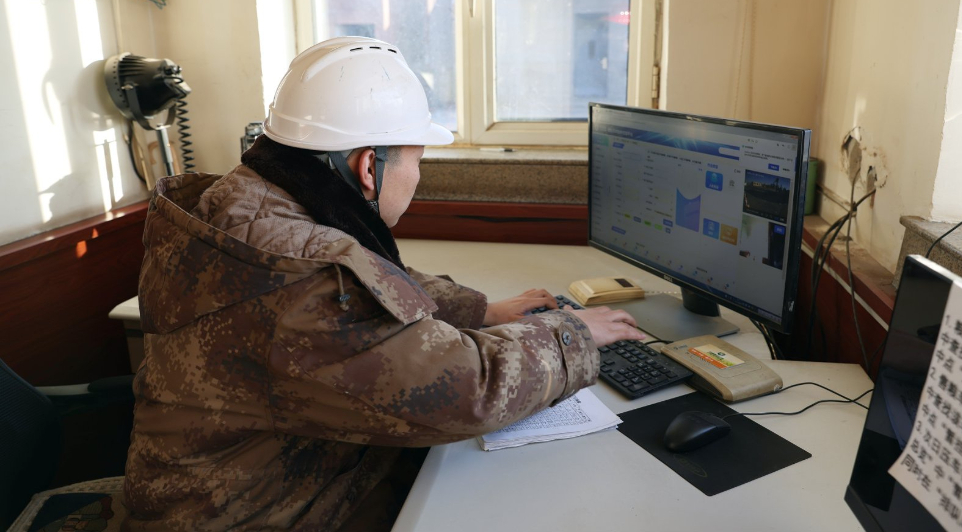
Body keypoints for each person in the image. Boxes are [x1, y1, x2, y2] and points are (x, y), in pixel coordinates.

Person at [123, 37, 644, 531]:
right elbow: (466, 392)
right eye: (418, 161)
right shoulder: (301, 279)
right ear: (370, 166)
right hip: (261, 515)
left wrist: (479, 310)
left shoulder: (245, 205)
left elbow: (367, 277)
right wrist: (571, 333)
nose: (418, 176)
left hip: (257, 484)